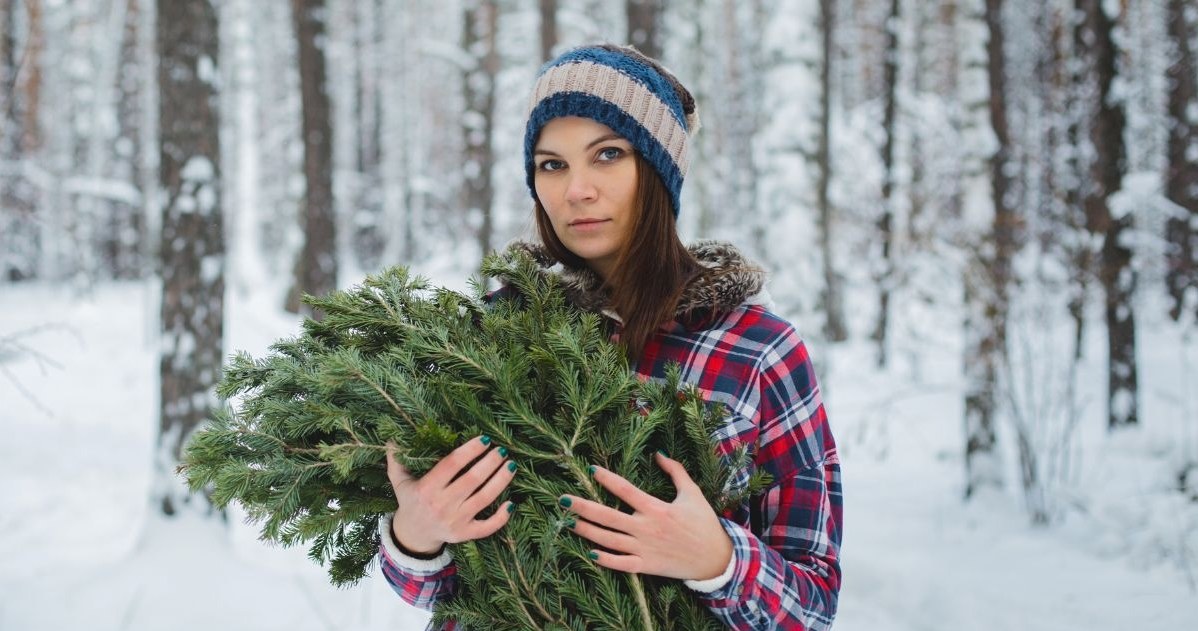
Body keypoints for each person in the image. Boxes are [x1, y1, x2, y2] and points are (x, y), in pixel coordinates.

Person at [378, 43, 843, 630]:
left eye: (607, 155)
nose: (577, 190)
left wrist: (719, 560)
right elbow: (444, 591)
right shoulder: (494, 332)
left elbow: (814, 604)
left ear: (658, 168)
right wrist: (415, 537)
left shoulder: (754, 350)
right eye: (552, 164)